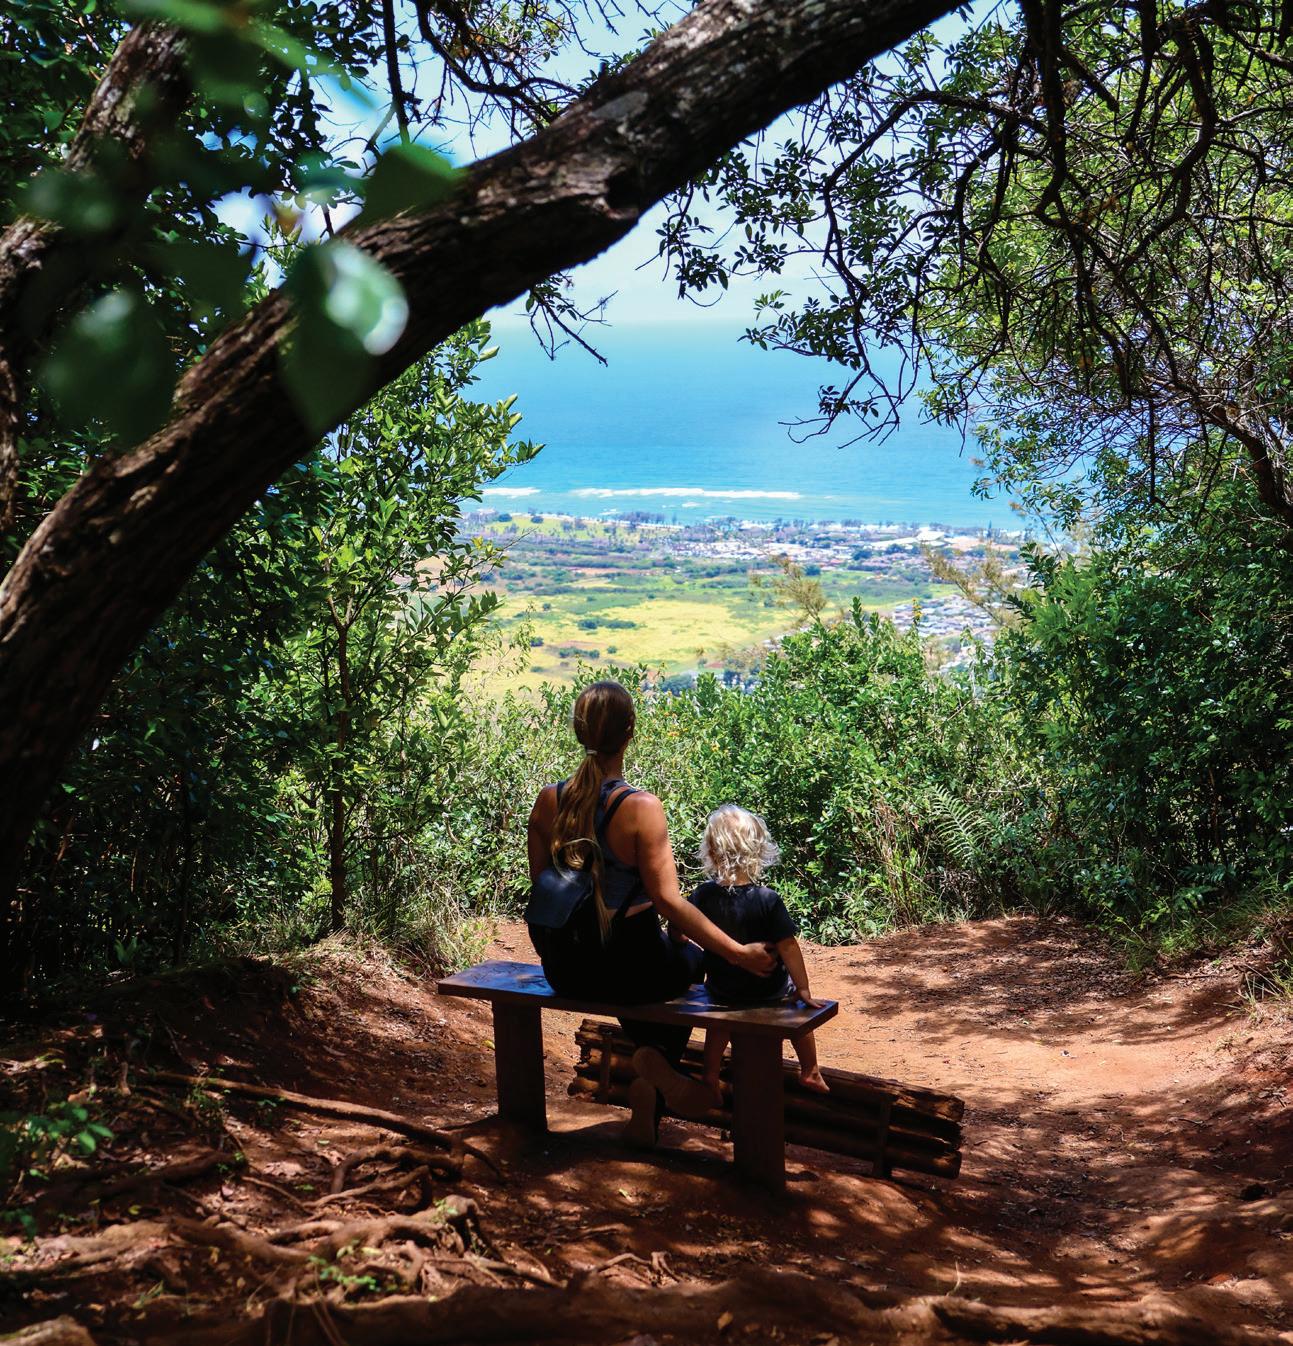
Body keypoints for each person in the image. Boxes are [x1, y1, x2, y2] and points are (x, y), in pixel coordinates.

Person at [526, 681, 776, 1145]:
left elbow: (543, 888)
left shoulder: (548, 800)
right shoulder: (640, 808)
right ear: (630, 731)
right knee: (690, 964)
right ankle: (655, 1069)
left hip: (565, 968)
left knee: (639, 973)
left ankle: (652, 1074)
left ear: (579, 731)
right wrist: (737, 953)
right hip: (631, 968)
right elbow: (668, 902)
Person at [680, 804, 829, 1103]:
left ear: (711, 851)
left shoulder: (702, 895)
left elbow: (680, 929)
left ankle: (710, 1075)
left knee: (718, 1024)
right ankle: (810, 1069)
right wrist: (803, 988)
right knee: (797, 1008)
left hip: (722, 989)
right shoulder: (767, 899)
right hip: (769, 991)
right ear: (757, 850)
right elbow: (788, 946)